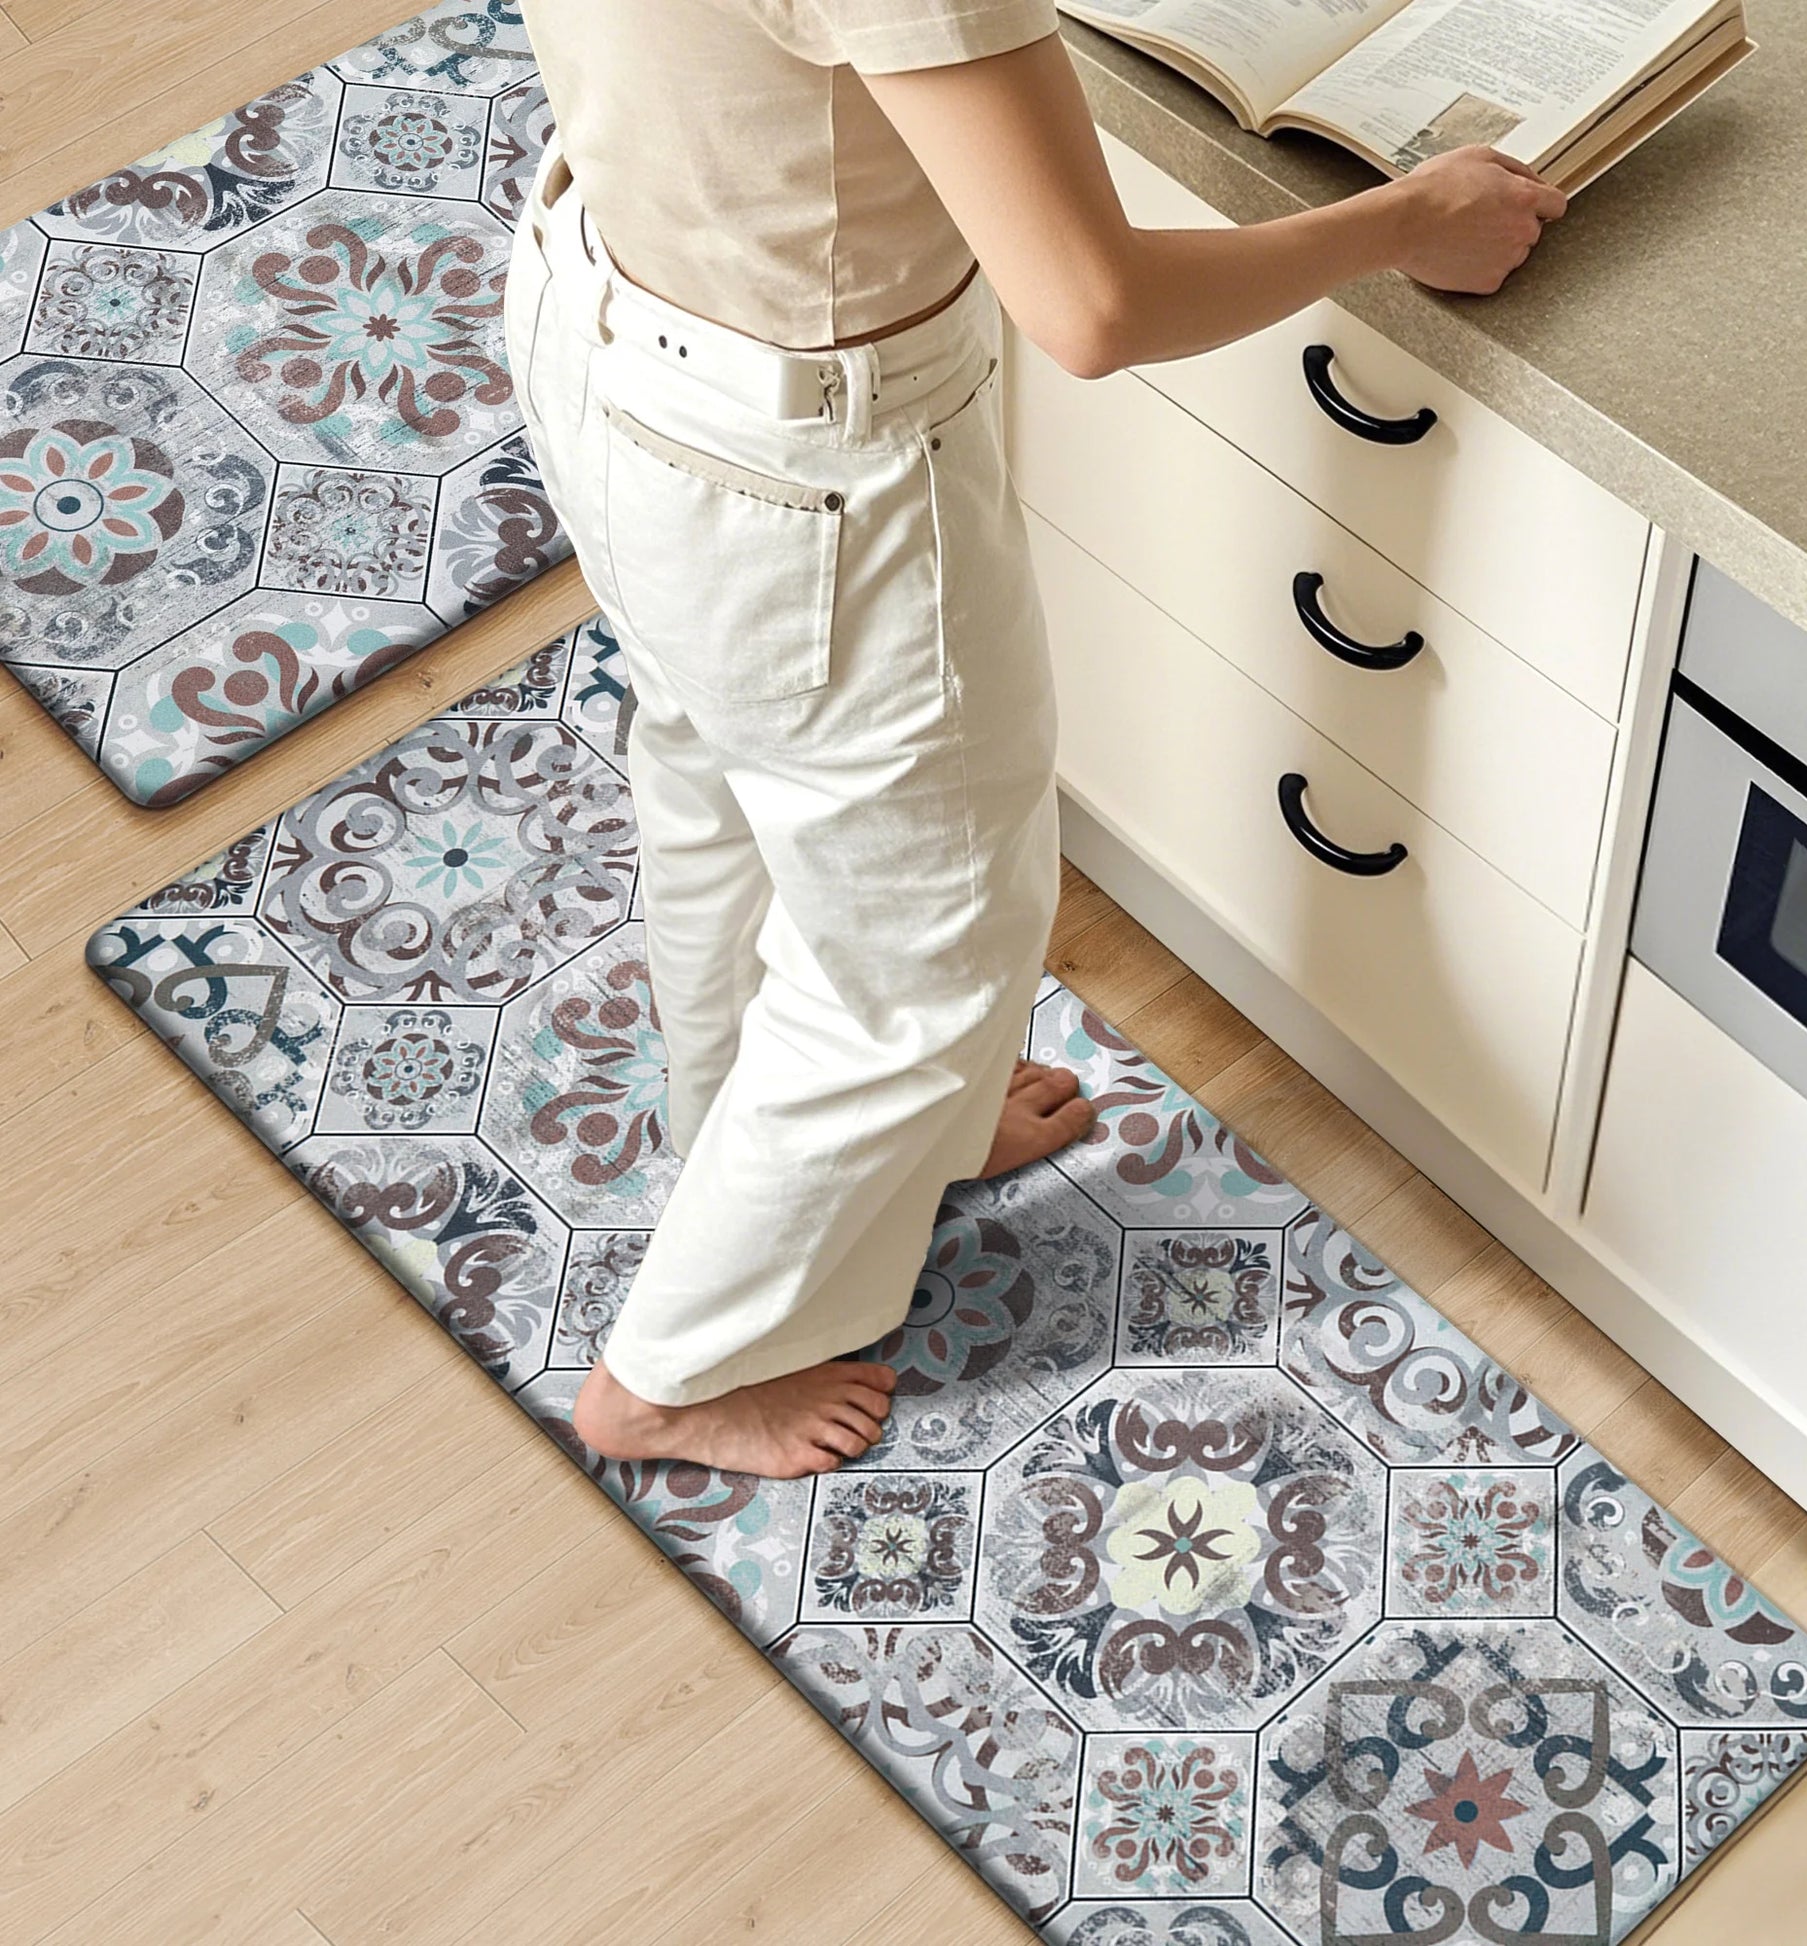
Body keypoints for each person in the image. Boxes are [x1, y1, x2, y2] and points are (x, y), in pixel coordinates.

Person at [505, 0, 1565, 1481]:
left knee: (721, 779)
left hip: (613, 312)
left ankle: (809, 1148)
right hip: (803, 456)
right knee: (924, 956)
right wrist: (1406, 223)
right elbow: (1091, 304)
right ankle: (679, 1373)